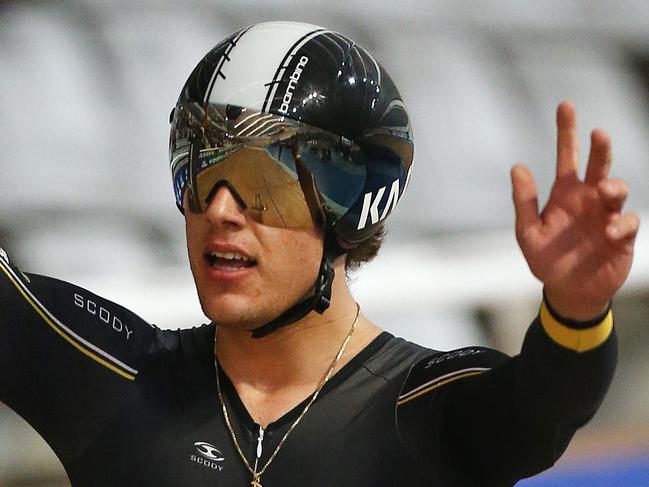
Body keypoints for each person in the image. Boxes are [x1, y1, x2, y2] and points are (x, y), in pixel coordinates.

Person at [0, 20, 640, 487]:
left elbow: (542, 403)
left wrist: (576, 308)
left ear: (351, 207)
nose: (218, 210)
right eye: (199, 170)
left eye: (262, 184)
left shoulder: (422, 409)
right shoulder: (121, 383)